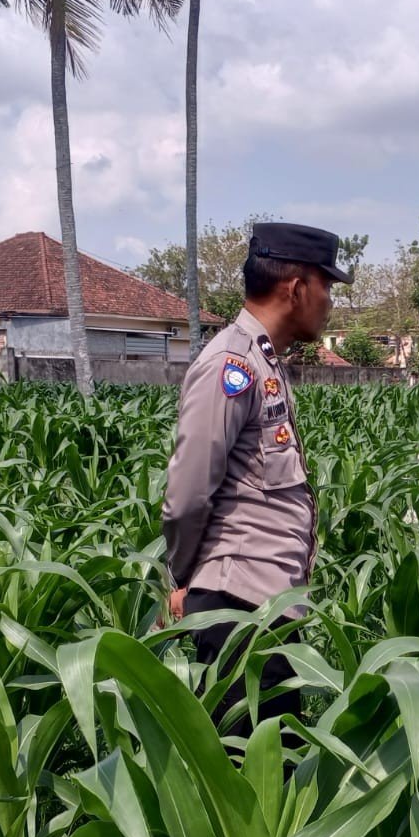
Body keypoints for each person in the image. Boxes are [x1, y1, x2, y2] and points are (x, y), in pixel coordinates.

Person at [162, 222, 352, 738]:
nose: (329, 302)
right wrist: (181, 578)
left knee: (274, 766)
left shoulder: (262, 361)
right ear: (297, 288)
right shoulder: (231, 364)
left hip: (264, 609)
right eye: (327, 286)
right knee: (252, 770)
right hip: (237, 610)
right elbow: (188, 492)